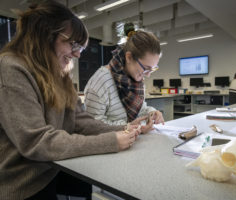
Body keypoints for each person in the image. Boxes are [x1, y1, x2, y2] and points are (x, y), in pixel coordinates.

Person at [0, 1, 141, 200]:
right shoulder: (11, 69)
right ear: (44, 35)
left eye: (80, 48)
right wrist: (110, 141)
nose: (76, 54)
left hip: (52, 169)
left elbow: (81, 122)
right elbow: (36, 142)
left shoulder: (56, 73)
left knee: (91, 184)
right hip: (24, 183)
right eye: (73, 44)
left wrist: (125, 129)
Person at [84, 23, 164, 132]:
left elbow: (140, 110)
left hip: (132, 142)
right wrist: (127, 127)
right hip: (111, 146)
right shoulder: (101, 82)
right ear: (129, 57)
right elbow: (91, 127)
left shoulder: (136, 81)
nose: (148, 74)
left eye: (152, 69)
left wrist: (152, 113)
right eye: (146, 68)